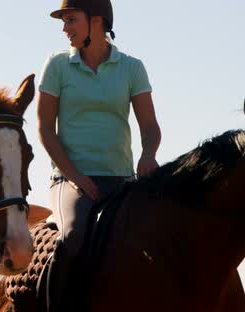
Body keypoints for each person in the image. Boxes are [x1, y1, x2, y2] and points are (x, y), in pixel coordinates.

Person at [37, 0, 161, 310]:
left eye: (71, 20)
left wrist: (148, 153)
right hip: (69, 179)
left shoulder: (132, 67)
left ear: (97, 21)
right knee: (71, 238)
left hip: (121, 180)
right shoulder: (57, 66)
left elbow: (149, 125)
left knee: (155, 237)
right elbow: (45, 130)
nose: (65, 28)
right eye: (64, 21)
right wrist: (75, 177)